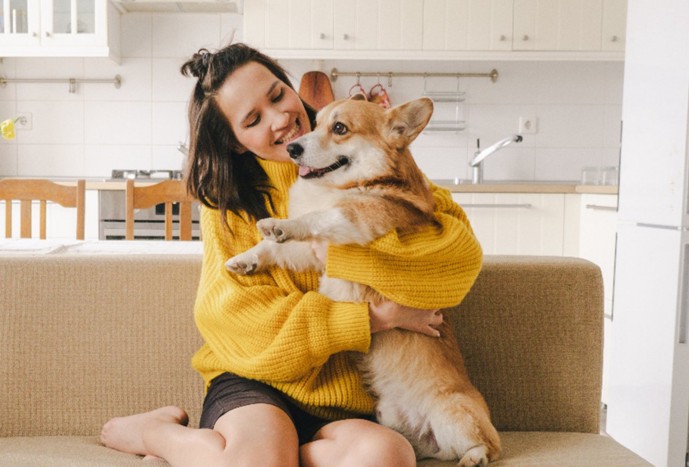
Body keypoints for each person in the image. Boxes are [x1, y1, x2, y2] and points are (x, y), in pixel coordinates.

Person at [100, 43, 483, 467]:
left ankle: (268, 457)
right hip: (257, 382)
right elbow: (232, 318)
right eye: (253, 119)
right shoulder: (229, 202)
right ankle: (156, 433)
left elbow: (459, 261)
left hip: (344, 392)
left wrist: (338, 258)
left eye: (278, 94)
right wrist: (374, 318)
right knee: (263, 459)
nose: (281, 117)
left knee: (389, 455)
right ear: (238, 143)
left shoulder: (374, 160)